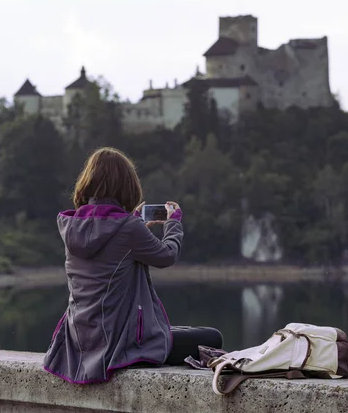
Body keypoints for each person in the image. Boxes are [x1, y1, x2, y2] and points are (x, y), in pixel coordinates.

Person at [43, 147, 223, 384]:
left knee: (179, 331)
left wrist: (135, 227)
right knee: (212, 337)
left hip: (81, 340)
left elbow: (110, 250)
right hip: (118, 343)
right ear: (127, 186)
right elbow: (166, 256)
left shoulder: (74, 225)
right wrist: (173, 224)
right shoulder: (128, 228)